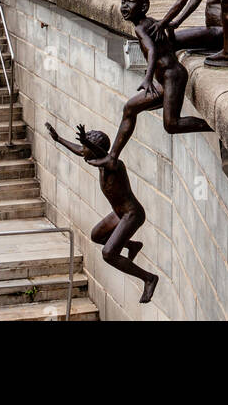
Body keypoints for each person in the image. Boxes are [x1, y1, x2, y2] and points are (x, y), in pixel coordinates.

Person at [45, 122, 158, 305]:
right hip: (119, 213)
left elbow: (99, 155)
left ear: (96, 149)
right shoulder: (99, 162)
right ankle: (132, 246)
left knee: (109, 254)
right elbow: (80, 151)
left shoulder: (113, 164)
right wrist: (58, 139)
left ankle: (149, 278)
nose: (83, 151)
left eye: (86, 147)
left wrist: (87, 143)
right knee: (97, 235)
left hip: (132, 214)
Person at [107, 0, 211, 163]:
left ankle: (212, 127)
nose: (124, 6)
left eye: (129, 2)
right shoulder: (152, 24)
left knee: (172, 124)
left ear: (143, 7)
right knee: (130, 108)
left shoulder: (141, 28)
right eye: (122, 2)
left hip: (173, 77)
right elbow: (169, 44)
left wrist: (147, 78)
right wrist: (169, 31)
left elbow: (153, 50)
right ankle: (112, 157)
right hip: (166, 79)